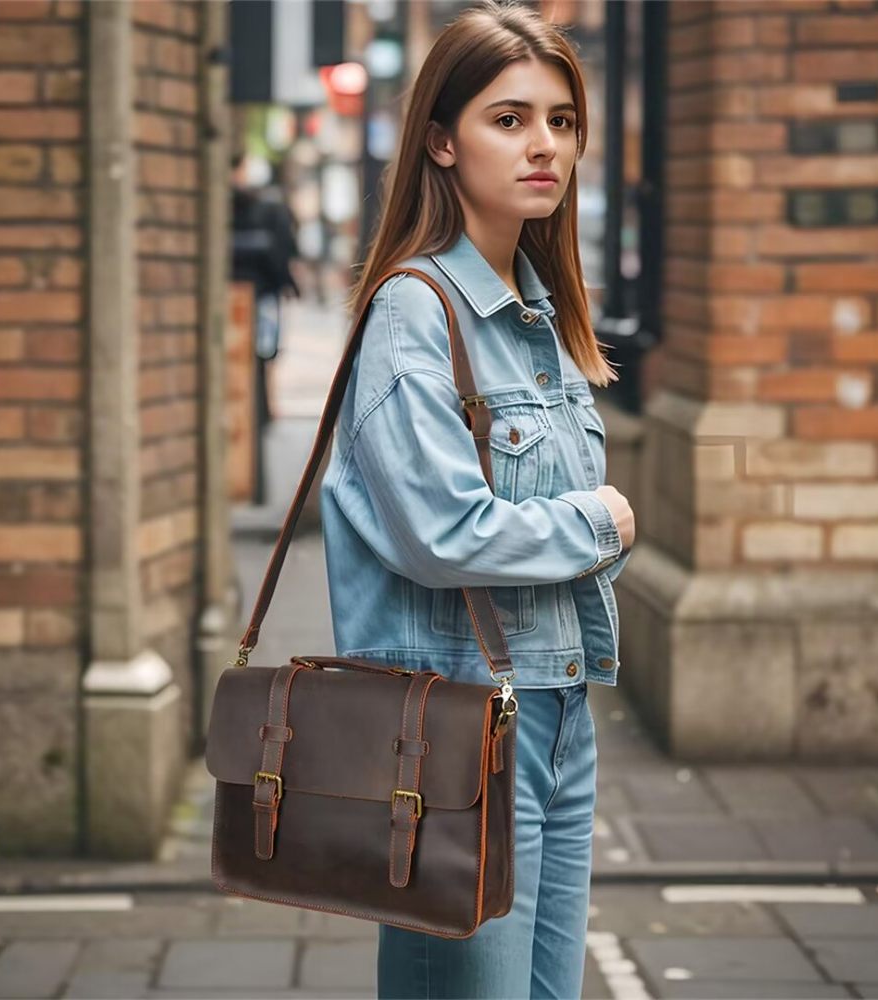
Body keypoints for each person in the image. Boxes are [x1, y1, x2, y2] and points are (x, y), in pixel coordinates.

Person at [319, 1, 636, 996]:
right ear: (440, 142)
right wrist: (602, 522)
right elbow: (440, 532)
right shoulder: (417, 310)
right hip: (453, 729)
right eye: (508, 119)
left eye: (559, 120)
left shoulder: (534, 318)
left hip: (555, 711)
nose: (543, 145)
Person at [230, 152, 301, 501]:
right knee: (263, 357)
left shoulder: (248, 207)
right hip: (260, 297)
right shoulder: (269, 208)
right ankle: (265, 410)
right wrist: (287, 281)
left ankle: (265, 411)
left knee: (257, 359)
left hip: (244, 298)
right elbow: (281, 253)